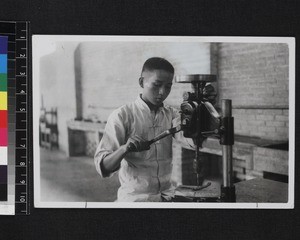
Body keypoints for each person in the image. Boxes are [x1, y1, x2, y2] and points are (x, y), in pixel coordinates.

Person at [94, 57, 212, 202]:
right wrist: (124, 149)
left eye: (168, 86)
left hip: (167, 197)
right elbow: (103, 167)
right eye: (156, 85)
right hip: (135, 200)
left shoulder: (172, 115)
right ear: (141, 82)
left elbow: (193, 141)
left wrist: (202, 115)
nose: (162, 92)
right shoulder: (122, 115)